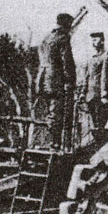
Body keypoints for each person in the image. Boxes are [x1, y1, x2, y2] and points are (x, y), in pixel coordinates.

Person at [36, 13, 76, 150]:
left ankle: (47, 141)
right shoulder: (63, 37)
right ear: (67, 25)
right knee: (57, 112)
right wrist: (70, 81)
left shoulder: (47, 37)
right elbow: (67, 62)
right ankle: (55, 143)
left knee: (49, 111)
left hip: (43, 79)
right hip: (55, 79)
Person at [79, 32, 108, 132]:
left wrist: (104, 93)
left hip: (101, 95)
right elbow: (86, 76)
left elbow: (106, 77)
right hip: (90, 95)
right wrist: (83, 92)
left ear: (102, 41)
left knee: (102, 122)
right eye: (92, 40)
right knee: (93, 123)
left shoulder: (107, 56)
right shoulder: (91, 58)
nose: (93, 42)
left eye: (95, 40)